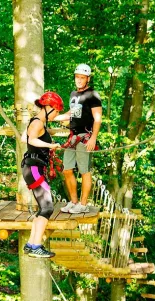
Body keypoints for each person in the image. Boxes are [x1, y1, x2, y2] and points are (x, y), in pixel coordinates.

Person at [20, 91, 64, 258]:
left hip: (32, 168)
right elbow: (31, 140)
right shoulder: (38, 122)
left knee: (44, 208)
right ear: (48, 108)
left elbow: (25, 138)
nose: (57, 114)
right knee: (47, 207)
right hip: (34, 168)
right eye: (57, 111)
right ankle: (36, 245)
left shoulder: (37, 122)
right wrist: (50, 145)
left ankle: (32, 244)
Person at [55, 64, 102, 214]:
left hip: (85, 137)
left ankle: (83, 204)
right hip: (73, 136)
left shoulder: (93, 95)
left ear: (87, 79)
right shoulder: (73, 94)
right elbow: (71, 113)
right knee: (67, 170)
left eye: (82, 78)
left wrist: (93, 138)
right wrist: (51, 117)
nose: (79, 80)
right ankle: (73, 202)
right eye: (77, 77)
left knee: (84, 171)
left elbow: (98, 118)